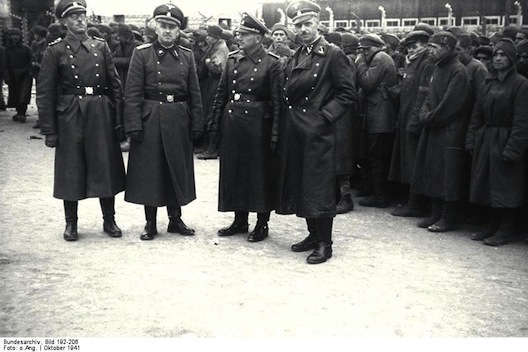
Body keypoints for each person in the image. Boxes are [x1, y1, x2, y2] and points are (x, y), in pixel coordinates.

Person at [36, 0, 126, 242]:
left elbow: (115, 85)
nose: (79, 20)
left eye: (82, 15)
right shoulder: (55, 50)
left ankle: (110, 219)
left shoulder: (101, 46)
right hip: (70, 113)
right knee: (71, 167)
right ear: (63, 21)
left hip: (99, 110)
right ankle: (71, 223)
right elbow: (45, 92)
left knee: (104, 165)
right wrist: (49, 130)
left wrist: (120, 120)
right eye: (73, 16)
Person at [277, 0, 356, 264]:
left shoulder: (332, 53)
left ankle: (325, 243)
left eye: (307, 24)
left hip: (318, 133)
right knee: (303, 183)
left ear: (318, 24)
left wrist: (324, 118)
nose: (303, 29)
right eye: (298, 25)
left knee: (320, 187)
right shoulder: (298, 54)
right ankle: (312, 234)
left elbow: (347, 94)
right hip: (297, 132)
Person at [124, 3, 203, 241]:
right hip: (151, 118)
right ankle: (150, 223)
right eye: (163, 25)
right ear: (155, 27)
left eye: (172, 27)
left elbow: (195, 93)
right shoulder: (142, 53)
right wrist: (134, 124)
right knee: (151, 170)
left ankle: (175, 219)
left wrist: (197, 123)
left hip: (178, 118)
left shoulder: (187, 56)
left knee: (176, 169)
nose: (167, 31)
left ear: (179, 30)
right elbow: (132, 92)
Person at [205, 13, 283, 242]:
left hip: (259, 125)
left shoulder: (272, 63)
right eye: (239, 33)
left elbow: (278, 102)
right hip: (233, 122)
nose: (239, 37)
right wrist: (215, 123)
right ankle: (240, 219)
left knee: (259, 174)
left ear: (258, 38)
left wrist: (276, 132)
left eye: (245, 34)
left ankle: (262, 222)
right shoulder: (232, 59)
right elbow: (221, 93)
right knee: (235, 171)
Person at [466, 38, 528, 246]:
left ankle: (505, 229)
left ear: (512, 59)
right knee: (488, 185)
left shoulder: (521, 84)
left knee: (506, 187)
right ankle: (491, 225)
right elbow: (477, 114)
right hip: (487, 139)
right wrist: (472, 139)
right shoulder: (488, 82)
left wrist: (513, 149)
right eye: (496, 55)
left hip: (505, 140)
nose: (499, 59)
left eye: (504, 55)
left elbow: (522, 122)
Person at [410, 31, 470, 233]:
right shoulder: (437, 68)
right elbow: (428, 97)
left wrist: (428, 118)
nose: (430, 50)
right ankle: (435, 213)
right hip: (434, 128)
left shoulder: (458, 71)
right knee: (433, 171)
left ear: (447, 48)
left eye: (434, 47)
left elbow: (450, 106)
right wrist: (424, 114)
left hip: (449, 131)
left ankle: (448, 217)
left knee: (447, 175)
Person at [389, 30, 434, 218]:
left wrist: (415, 121)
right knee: (407, 162)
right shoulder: (413, 62)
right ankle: (412, 201)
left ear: (425, 45)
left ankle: (416, 204)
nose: (411, 50)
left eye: (415, 46)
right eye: (409, 46)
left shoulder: (426, 63)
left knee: (414, 163)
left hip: (414, 120)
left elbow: (423, 95)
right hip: (406, 116)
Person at [356, 33, 398, 208]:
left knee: (377, 156)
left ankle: (380, 195)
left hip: (381, 116)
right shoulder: (381, 57)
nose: (365, 53)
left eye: (367, 49)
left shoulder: (380, 58)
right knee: (375, 155)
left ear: (377, 46)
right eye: (363, 50)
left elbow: (367, 83)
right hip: (378, 114)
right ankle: (376, 191)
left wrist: (359, 63)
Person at [196, 24, 229, 160]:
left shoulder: (220, 49)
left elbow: (218, 69)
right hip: (211, 84)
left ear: (215, 37)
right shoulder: (215, 46)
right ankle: (207, 145)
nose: (207, 38)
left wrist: (209, 62)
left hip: (216, 84)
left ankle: (212, 148)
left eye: (209, 36)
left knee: (213, 114)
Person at [4, 28, 32, 123]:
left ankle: (22, 113)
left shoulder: (26, 49)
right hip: (13, 75)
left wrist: (29, 71)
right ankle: (18, 112)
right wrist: (7, 76)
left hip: (25, 75)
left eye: (17, 35)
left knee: (24, 94)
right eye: (13, 35)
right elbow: (5, 64)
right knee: (15, 94)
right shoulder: (7, 50)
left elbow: (31, 60)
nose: (15, 37)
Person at [30, 25, 48, 129]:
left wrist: (38, 65)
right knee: (39, 97)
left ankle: (45, 120)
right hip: (37, 74)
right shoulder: (34, 44)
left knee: (45, 97)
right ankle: (41, 119)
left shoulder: (46, 45)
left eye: (35, 34)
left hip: (45, 74)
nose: (34, 36)